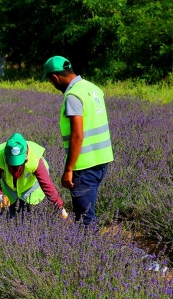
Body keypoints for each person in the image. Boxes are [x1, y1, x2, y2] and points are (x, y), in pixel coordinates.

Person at [43, 56, 114, 225]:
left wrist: (68, 169)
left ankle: (92, 250)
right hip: (102, 161)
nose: (53, 86)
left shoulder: (73, 96)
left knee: (85, 220)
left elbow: (77, 135)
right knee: (88, 214)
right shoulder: (93, 88)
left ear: (55, 77)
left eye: (51, 82)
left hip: (84, 166)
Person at [0, 133, 68, 219]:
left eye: (19, 163)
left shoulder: (35, 160)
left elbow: (47, 185)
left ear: (26, 154)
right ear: (6, 155)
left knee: (27, 214)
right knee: (10, 213)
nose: (16, 167)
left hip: (30, 187)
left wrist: (60, 207)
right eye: (12, 163)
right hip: (10, 186)